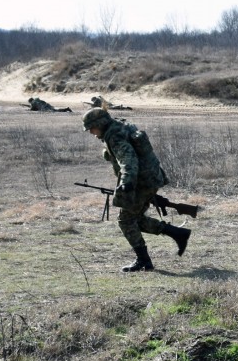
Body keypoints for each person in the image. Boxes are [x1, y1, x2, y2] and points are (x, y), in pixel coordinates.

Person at [81, 107, 191, 272]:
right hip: (150, 178)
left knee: (125, 220)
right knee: (135, 218)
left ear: (100, 123)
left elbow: (129, 160)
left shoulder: (115, 136)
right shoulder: (120, 126)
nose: (91, 132)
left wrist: (126, 183)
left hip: (141, 182)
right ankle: (177, 233)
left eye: (91, 128)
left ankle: (144, 261)